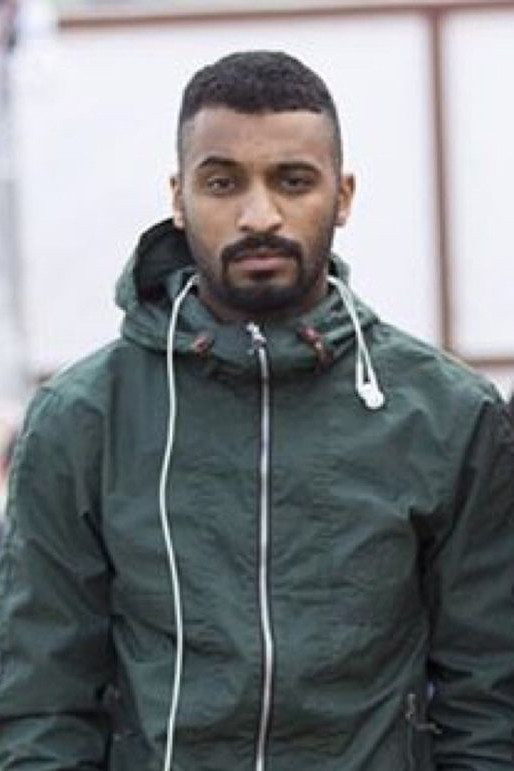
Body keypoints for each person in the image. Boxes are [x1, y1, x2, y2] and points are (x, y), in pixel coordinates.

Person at [0, 51, 513, 771]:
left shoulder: (448, 416)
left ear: (343, 195)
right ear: (179, 198)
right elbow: (40, 700)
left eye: (293, 180)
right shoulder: (83, 419)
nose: (259, 215)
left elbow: (488, 696)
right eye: (222, 182)